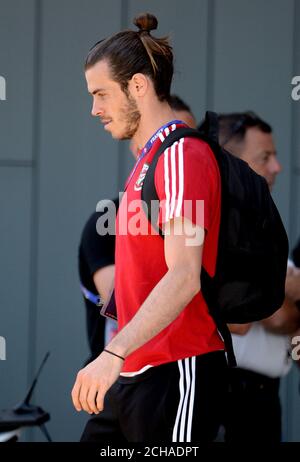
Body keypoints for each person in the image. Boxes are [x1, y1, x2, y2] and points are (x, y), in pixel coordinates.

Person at [72, 12, 227, 442]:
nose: (94, 109)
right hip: (135, 372)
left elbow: (184, 275)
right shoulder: (149, 159)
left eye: (101, 94)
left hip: (177, 370)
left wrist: (112, 351)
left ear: (138, 86)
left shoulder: (181, 155)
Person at [78, 95, 197, 442]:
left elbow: (187, 282)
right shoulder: (109, 216)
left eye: (187, 136)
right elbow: (123, 303)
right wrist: (112, 356)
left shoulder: (196, 198)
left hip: (172, 372)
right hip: (117, 372)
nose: (179, 146)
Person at [217, 111, 300, 442]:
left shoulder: (261, 224)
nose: (277, 167)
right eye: (265, 157)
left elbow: (286, 319)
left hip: (264, 398)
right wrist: (285, 288)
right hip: (228, 393)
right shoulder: (216, 226)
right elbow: (266, 315)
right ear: (231, 162)